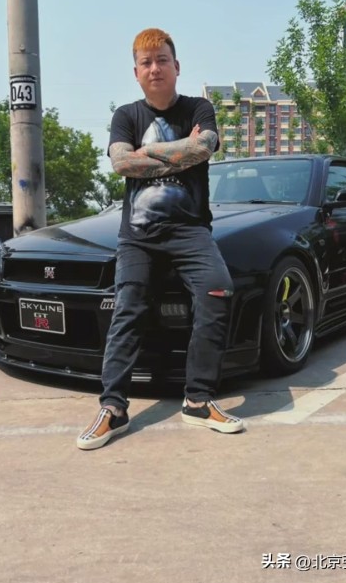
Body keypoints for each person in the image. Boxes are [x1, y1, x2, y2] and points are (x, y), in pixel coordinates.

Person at [77, 28, 244, 450]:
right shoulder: (126, 115)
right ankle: (113, 408)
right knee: (127, 307)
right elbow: (121, 164)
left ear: (176, 66)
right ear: (136, 72)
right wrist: (180, 152)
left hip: (191, 230)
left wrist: (146, 155)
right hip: (138, 235)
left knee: (218, 289)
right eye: (146, 63)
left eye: (162, 60)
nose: (155, 68)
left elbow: (203, 148)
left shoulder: (199, 108)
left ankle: (198, 399)